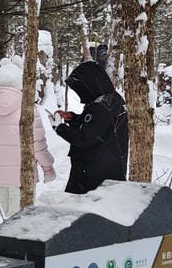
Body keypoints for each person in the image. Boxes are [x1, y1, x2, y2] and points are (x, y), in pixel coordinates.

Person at [0, 58, 55, 216]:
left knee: (3, 218)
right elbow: (37, 144)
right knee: (19, 220)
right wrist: (48, 168)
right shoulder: (27, 109)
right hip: (22, 176)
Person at [53, 59, 129, 194]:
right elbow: (96, 127)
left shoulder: (102, 106)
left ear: (90, 84)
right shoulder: (110, 100)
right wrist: (73, 118)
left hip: (94, 175)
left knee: (79, 205)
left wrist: (60, 128)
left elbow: (85, 138)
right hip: (105, 170)